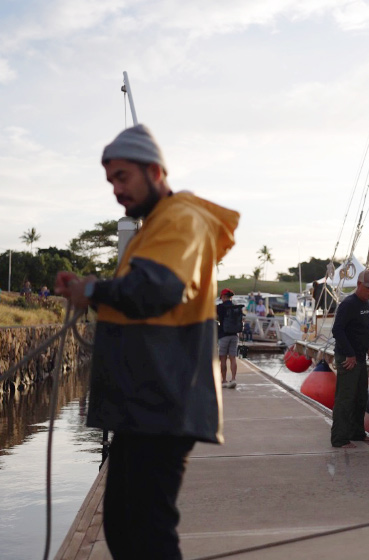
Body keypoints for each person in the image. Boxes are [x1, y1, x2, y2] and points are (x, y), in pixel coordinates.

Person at [54, 124, 239, 560]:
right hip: (147, 401)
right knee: (126, 527)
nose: (116, 189)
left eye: (123, 177)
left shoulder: (181, 220)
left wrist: (93, 290)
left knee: (146, 532)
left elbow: (157, 289)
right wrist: (93, 290)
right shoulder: (157, 226)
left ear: (155, 171)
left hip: (162, 400)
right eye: (110, 181)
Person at [330, 268, 369, 448]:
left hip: (360, 356)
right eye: (368, 287)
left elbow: (363, 329)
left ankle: (356, 432)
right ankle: (339, 439)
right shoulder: (348, 304)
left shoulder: (367, 304)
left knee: (360, 398)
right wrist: (349, 354)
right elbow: (337, 330)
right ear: (359, 284)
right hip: (347, 357)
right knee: (345, 399)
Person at [217, 289, 243, 389]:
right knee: (233, 358)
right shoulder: (236, 307)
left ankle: (224, 381)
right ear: (231, 297)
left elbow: (214, 317)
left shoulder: (220, 307)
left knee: (223, 358)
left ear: (223, 297)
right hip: (234, 335)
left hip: (223, 335)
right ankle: (233, 379)